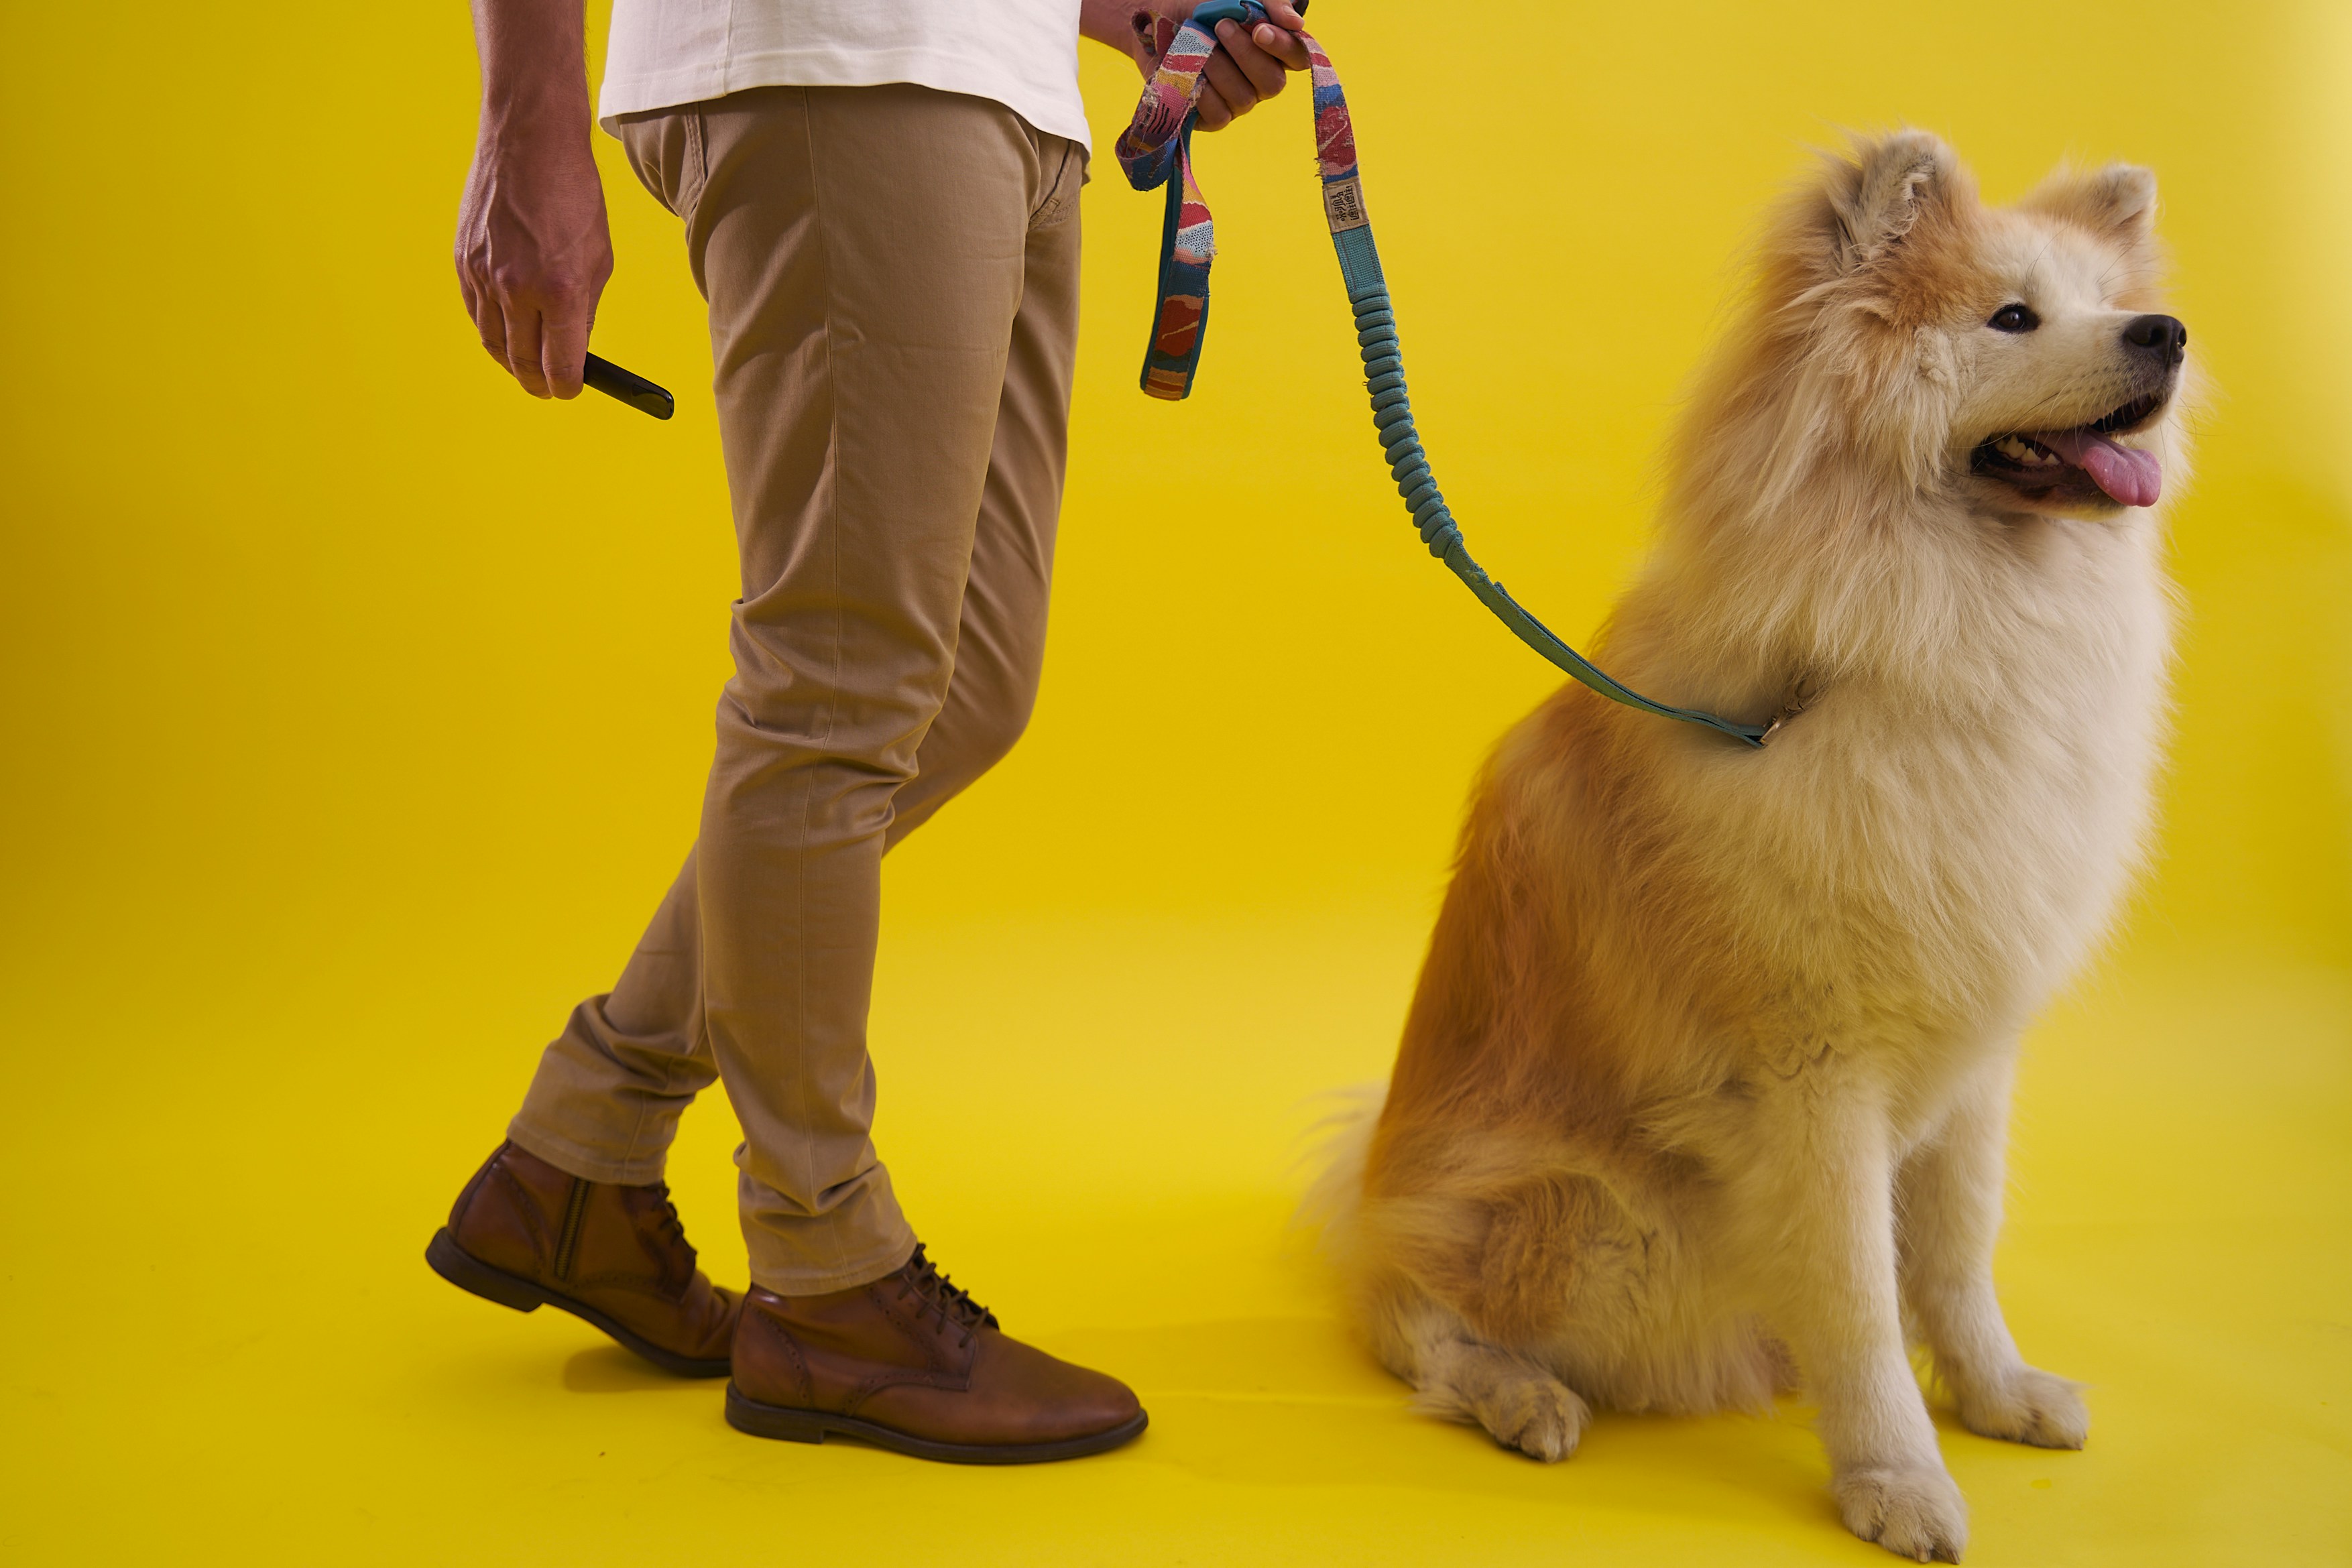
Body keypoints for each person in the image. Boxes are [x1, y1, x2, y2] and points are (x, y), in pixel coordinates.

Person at [426, 0, 1311, 1463]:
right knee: (835, 685)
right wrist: (525, 121)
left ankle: (578, 1159)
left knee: (959, 679)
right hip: (834, 54)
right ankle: (824, 1276)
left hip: (990, 75)